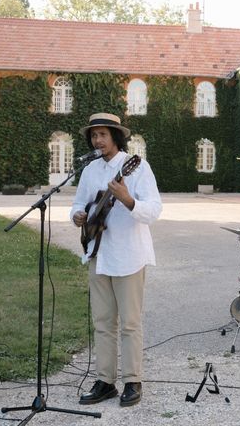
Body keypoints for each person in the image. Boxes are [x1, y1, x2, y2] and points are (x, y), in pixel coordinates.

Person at [70, 112, 162, 406]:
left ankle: (133, 381)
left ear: (116, 137)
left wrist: (127, 199)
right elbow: (77, 203)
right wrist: (78, 215)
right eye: (94, 136)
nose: (97, 140)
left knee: (130, 323)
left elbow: (154, 210)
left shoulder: (138, 167)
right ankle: (105, 381)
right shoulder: (90, 170)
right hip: (98, 252)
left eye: (102, 135)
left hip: (129, 255)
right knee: (103, 322)